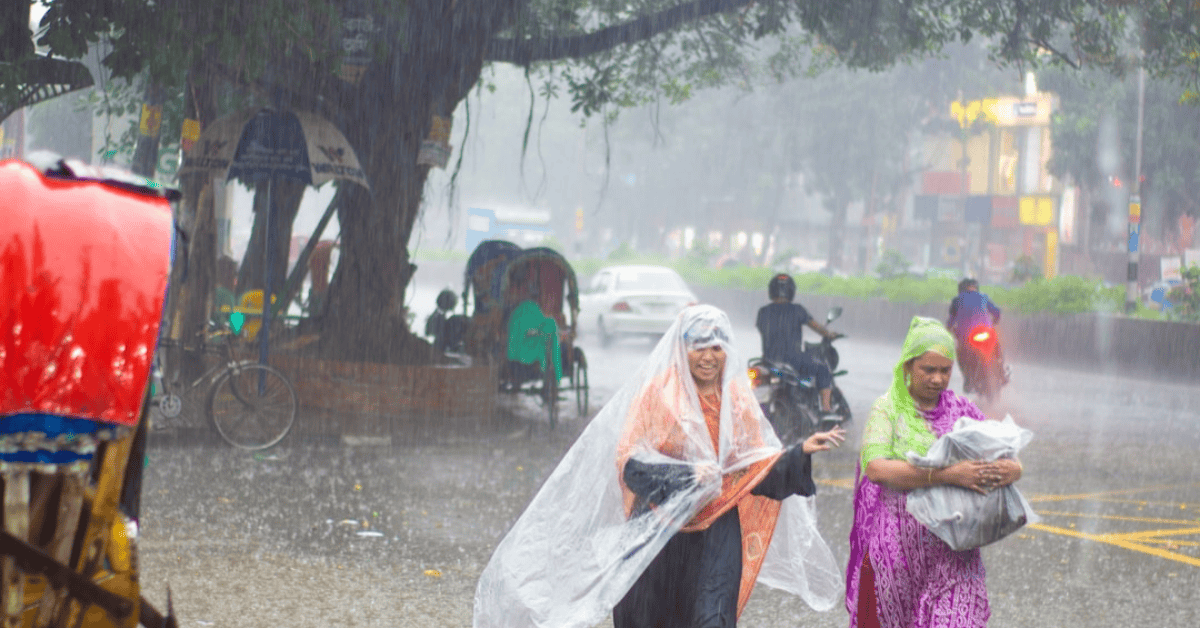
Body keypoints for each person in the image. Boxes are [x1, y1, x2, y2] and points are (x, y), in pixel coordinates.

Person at [474, 305, 845, 628]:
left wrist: (798, 454)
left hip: (717, 528)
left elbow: (753, 467)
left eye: (716, 346)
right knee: (647, 615)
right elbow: (631, 464)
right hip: (658, 526)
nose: (708, 356)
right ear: (681, 348)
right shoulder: (658, 395)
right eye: (698, 345)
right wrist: (685, 477)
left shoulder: (737, 400)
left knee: (712, 614)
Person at [844, 316, 1023, 628]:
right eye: (929, 369)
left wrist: (1011, 469)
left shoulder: (962, 410)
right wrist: (947, 475)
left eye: (946, 370)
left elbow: (1005, 454)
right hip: (896, 553)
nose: (938, 379)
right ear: (908, 366)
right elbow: (875, 468)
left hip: (955, 552)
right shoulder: (888, 410)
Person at [756, 273, 842, 417]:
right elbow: (817, 328)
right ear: (791, 291)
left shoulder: (763, 312)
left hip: (768, 362)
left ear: (771, 291)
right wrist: (829, 334)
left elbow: (764, 329)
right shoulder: (798, 310)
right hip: (793, 360)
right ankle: (826, 410)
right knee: (823, 369)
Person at [946, 278, 1008, 391]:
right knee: (997, 348)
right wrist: (995, 321)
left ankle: (967, 379)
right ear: (976, 288)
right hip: (986, 332)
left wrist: (948, 330)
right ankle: (1002, 374)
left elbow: (950, 322)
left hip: (967, 336)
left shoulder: (957, 300)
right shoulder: (983, 297)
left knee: (960, 354)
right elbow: (997, 313)